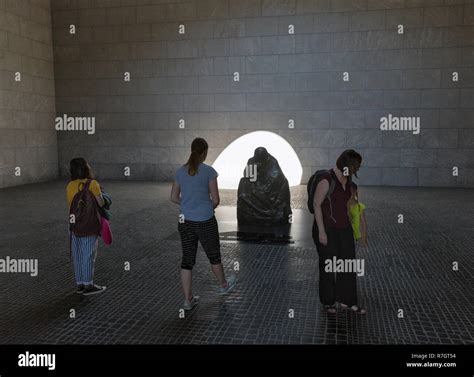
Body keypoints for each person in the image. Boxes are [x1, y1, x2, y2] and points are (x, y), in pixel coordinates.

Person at [170, 137, 237, 310]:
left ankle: (187, 300)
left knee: (187, 260)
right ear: (205, 152)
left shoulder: (180, 172)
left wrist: (188, 204)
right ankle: (223, 286)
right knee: (213, 256)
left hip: (185, 221)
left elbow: (173, 198)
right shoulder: (209, 172)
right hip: (205, 220)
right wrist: (206, 207)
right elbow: (216, 199)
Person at [312, 150, 366, 315]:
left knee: (348, 265)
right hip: (326, 229)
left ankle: (347, 301)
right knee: (328, 266)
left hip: (345, 229)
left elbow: (355, 208)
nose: (355, 171)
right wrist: (321, 231)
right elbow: (316, 204)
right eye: (354, 168)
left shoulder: (350, 183)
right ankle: (328, 302)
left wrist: (362, 230)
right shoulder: (326, 180)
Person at [66, 158, 106, 296]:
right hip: (89, 224)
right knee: (88, 254)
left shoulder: (70, 185)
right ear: (86, 168)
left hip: (74, 224)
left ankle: (80, 284)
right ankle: (89, 285)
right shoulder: (93, 184)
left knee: (77, 255)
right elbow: (101, 203)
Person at [348, 182, 368, 247]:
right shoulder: (342, 206)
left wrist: (364, 239)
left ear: (355, 192)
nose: (349, 195)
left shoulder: (359, 207)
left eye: (351, 192)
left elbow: (363, 223)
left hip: (356, 238)